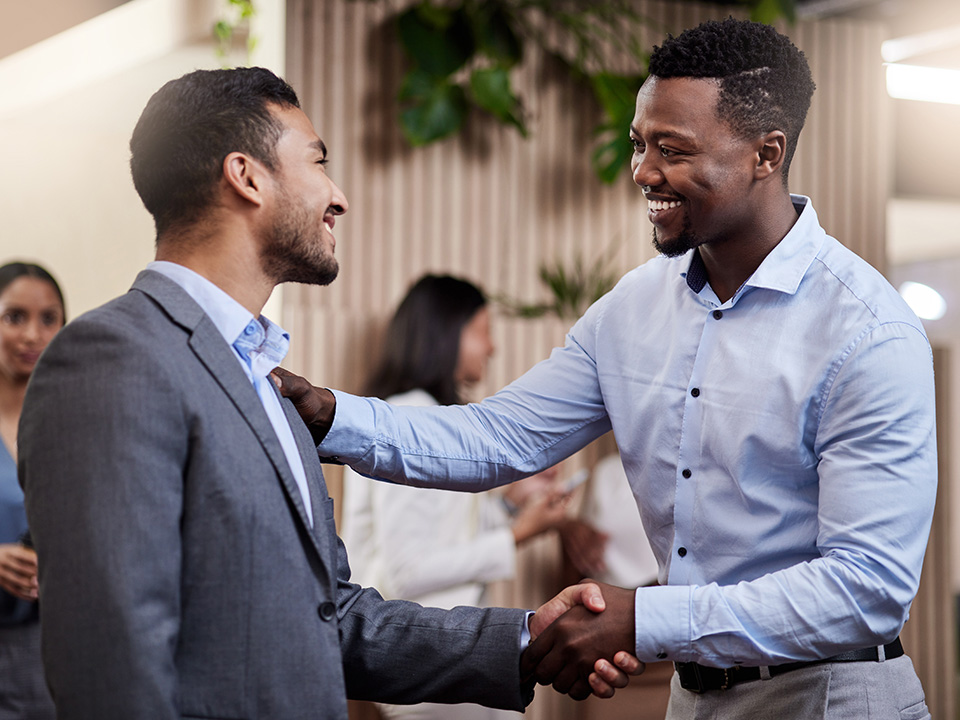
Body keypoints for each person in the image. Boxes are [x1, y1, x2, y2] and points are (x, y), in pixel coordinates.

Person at [276, 18, 936, 718]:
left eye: (671, 149)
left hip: (833, 698)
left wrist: (645, 620)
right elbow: (498, 439)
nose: (644, 172)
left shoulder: (867, 332)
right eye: (638, 144)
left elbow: (867, 589)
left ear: (765, 154)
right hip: (694, 698)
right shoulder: (632, 309)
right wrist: (329, 415)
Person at [17, 67, 633, 720]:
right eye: (318, 162)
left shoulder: (272, 383)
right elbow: (110, 662)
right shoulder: (112, 357)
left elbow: (329, 617)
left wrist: (523, 638)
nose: (337, 197)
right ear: (246, 176)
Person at [341, 274, 603, 720]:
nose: (492, 347)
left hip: (437, 653)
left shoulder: (413, 414)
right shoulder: (414, 417)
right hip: (428, 656)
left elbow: (438, 538)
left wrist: (509, 506)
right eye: (484, 330)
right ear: (448, 333)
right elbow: (407, 572)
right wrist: (519, 534)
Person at [0, 262, 64, 720]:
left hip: (54, 643)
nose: (32, 336)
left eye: (48, 319)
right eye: (14, 317)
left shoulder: (79, 419)